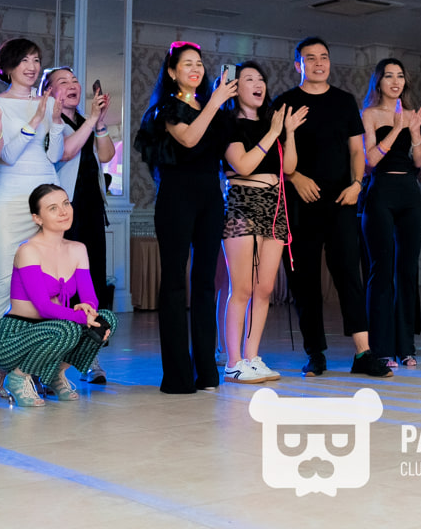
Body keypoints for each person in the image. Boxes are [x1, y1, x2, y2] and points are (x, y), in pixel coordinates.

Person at [271, 38, 385, 378]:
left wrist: (357, 184)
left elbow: (356, 151)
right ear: (298, 65)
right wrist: (295, 178)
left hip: (341, 201)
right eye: (310, 58)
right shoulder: (284, 103)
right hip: (300, 203)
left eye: (324, 57)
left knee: (349, 273)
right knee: (304, 280)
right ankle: (315, 354)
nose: (319, 63)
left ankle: (363, 353)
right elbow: (273, 154)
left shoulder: (344, 101)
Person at [136, 41, 235, 393]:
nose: (195, 69)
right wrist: (214, 103)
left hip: (211, 198)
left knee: (206, 283)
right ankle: (177, 376)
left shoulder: (214, 108)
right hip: (176, 198)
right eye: (187, 63)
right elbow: (189, 139)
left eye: (199, 63)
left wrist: (218, 104)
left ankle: (207, 371)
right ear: (172, 71)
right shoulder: (166, 108)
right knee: (175, 282)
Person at [0, 38, 67, 384]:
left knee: (48, 283)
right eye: (24, 61)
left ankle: (41, 365)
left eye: (36, 60)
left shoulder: (49, 104)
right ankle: (3, 366)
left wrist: (55, 122)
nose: (31, 67)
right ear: (7, 67)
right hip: (9, 197)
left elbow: (54, 156)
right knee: (4, 281)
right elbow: (5, 156)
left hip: (46, 194)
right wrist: (34, 120)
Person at [0, 184, 116, 407]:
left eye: (66, 203)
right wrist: (83, 318)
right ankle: (17, 377)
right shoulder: (28, 250)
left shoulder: (77, 249)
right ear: (37, 218)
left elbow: (90, 296)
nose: (63, 211)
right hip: (16, 336)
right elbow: (44, 307)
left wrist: (89, 309)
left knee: (107, 319)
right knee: (68, 328)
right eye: (53, 208)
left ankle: (56, 374)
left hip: (54, 331)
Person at [222, 61, 306, 383]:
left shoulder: (273, 125)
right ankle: (233, 361)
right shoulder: (229, 124)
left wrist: (288, 133)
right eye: (249, 79)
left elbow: (289, 168)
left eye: (261, 79)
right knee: (242, 288)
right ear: (236, 87)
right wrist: (273, 133)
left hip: (275, 206)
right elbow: (243, 165)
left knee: (264, 288)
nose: (258, 84)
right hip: (243, 204)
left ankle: (252, 356)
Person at [45, 66, 114, 381]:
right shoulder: (51, 121)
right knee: (63, 285)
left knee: (92, 282)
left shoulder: (87, 119)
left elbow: (106, 155)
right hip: (63, 210)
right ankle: (54, 359)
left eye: (74, 80)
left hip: (92, 208)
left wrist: (99, 123)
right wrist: (90, 121)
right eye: (63, 81)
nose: (72, 85)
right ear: (49, 91)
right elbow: (64, 152)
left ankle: (90, 355)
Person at [359, 58, 421, 370]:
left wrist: (414, 132)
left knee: (407, 271)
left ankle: (406, 347)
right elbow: (371, 159)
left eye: (400, 76)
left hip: (409, 193)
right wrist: (397, 128)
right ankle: (381, 348)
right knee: (381, 270)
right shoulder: (369, 114)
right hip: (381, 193)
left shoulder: (412, 115)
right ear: (379, 82)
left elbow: (419, 162)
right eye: (389, 76)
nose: (396, 81)